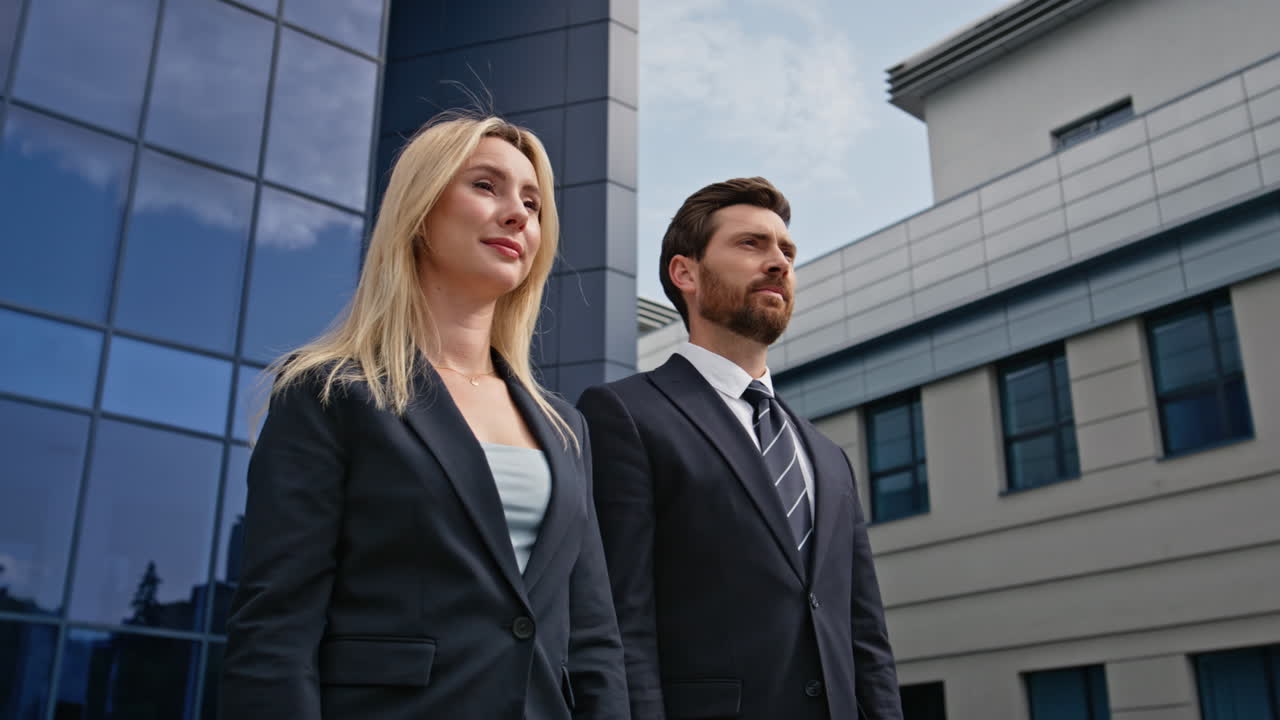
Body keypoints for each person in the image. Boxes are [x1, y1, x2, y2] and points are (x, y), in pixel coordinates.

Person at [220, 112, 629, 720]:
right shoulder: (328, 393)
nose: (518, 214)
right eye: (485, 186)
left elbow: (594, 643)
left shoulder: (566, 429)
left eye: (533, 203)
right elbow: (276, 630)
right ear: (420, 210)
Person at [578, 177, 903, 720]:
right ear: (686, 273)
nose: (778, 262)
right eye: (751, 244)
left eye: (787, 251)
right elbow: (619, 624)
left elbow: (867, 639)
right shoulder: (624, 417)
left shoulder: (827, 457)